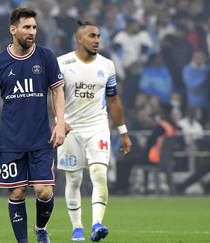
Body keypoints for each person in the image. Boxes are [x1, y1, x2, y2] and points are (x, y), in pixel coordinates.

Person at [0, 8, 66, 243]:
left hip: (41, 139)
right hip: (11, 141)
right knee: (16, 192)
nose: (32, 32)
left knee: (44, 191)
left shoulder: (46, 56)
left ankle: (40, 229)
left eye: (34, 27)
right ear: (13, 29)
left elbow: (57, 90)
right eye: (27, 27)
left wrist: (60, 122)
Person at [56, 20, 132, 242]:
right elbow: (54, 96)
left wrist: (123, 131)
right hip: (70, 129)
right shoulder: (62, 63)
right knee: (73, 179)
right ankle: (76, 228)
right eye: (92, 36)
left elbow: (114, 100)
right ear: (80, 39)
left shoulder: (107, 65)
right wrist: (60, 122)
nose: (97, 40)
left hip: (97, 127)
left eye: (98, 36)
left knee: (99, 173)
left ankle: (97, 224)